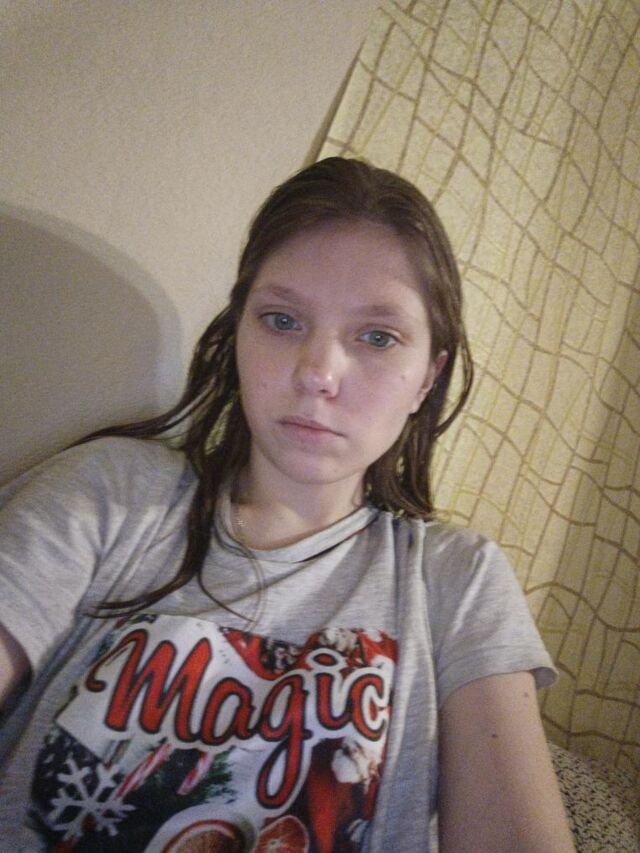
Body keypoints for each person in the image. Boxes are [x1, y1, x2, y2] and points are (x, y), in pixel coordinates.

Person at [0, 157, 575, 851]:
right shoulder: (108, 493)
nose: (318, 373)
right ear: (238, 332)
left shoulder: (459, 579)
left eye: (378, 336)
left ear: (428, 377)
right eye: (281, 319)